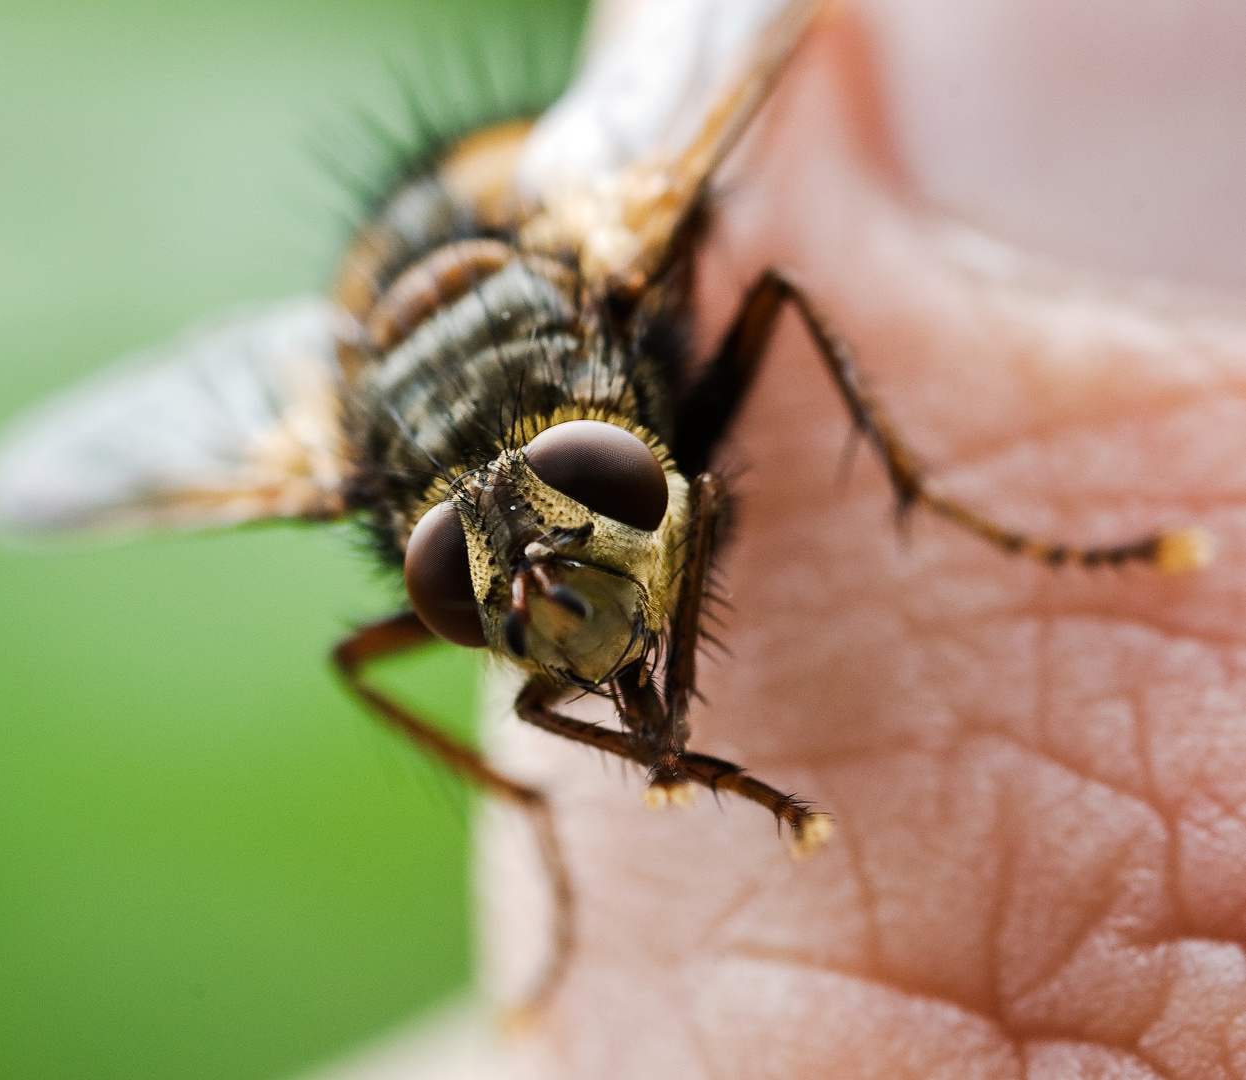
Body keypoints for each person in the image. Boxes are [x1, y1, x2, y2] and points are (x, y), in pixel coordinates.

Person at [337, 0, 1246, 1075]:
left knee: (768, 290)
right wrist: (567, 800)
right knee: (359, 664)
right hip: (407, 298)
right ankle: (546, 824)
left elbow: (742, 371)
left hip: (519, 204)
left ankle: (937, 506)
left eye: (586, 501)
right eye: (465, 582)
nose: (543, 588)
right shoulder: (457, 500)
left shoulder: (613, 280)